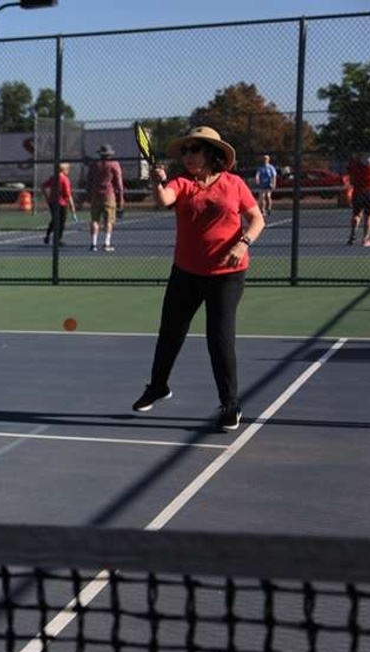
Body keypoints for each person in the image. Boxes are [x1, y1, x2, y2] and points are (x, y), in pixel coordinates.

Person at [132, 126, 265, 433]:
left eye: (195, 150)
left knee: (219, 339)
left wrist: (242, 243)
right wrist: (157, 183)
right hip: (186, 272)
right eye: (185, 151)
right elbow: (165, 199)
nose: (188, 156)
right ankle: (158, 387)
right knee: (170, 333)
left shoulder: (234, 184)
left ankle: (230, 405)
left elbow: (257, 219)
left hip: (227, 275)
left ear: (211, 154)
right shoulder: (181, 183)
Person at [86, 144, 125, 252]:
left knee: (95, 220)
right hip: (109, 196)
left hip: (95, 195)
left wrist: (88, 194)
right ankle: (106, 243)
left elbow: (89, 181)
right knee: (109, 220)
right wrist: (120, 199)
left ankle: (93, 244)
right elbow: (119, 183)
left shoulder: (94, 165)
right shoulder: (114, 165)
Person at [41, 162, 74, 245]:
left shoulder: (53, 177)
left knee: (55, 219)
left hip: (52, 202)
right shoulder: (64, 179)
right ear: (64, 170)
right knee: (61, 221)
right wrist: (72, 205)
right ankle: (58, 239)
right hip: (61, 203)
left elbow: (43, 186)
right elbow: (68, 194)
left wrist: (47, 197)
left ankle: (48, 235)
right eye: (68, 169)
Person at [346, 150, 370, 247]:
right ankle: (365, 240)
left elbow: (350, 174)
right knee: (368, 216)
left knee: (356, 214)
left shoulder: (355, 166)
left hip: (357, 191)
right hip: (369, 192)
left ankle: (352, 237)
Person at [253, 153, 278, 218]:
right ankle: (262, 210)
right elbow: (257, 174)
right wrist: (257, 179)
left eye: (266, 159)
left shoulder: (271, 167)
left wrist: (274, 183)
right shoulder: (260, 168)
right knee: (262, 197)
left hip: (269, 185)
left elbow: (274, 176)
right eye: (264, 159)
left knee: (268, 196)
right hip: (262, 185)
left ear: (268, 159)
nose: (265, 160)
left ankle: (269, 208)